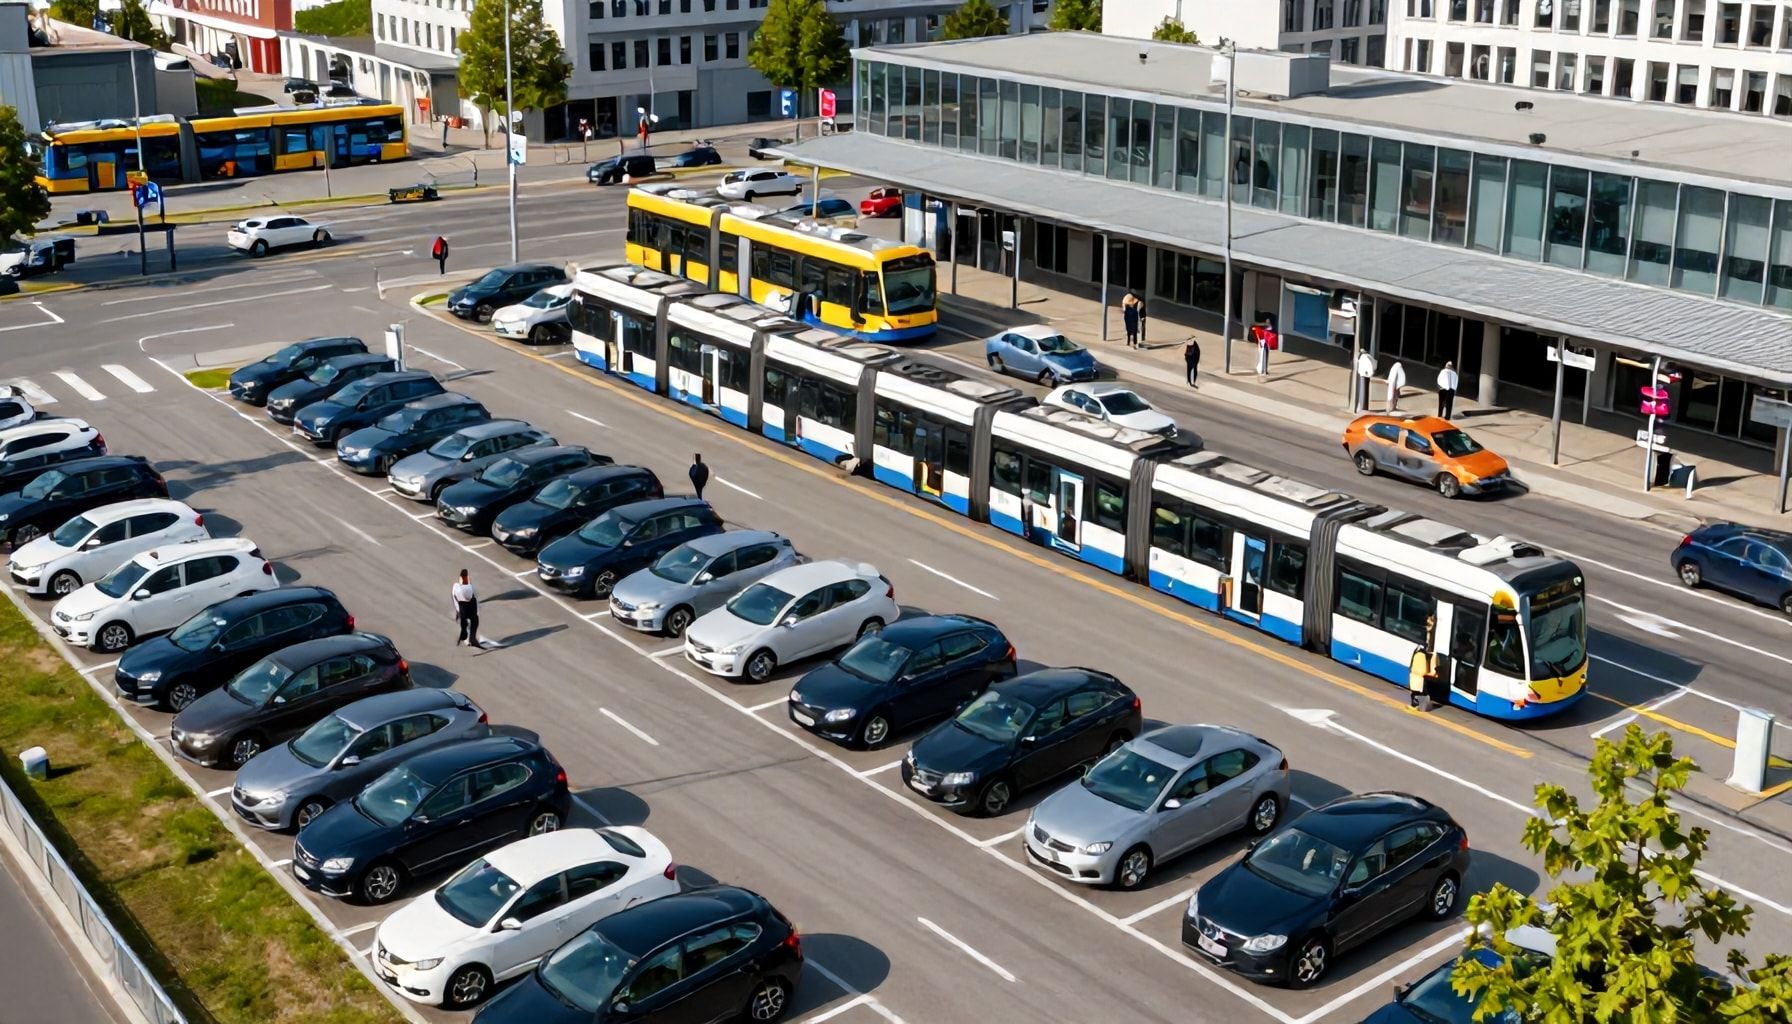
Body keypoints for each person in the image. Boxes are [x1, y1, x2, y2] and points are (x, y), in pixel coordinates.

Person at [1407, 614, 1439, 711]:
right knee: (1417, 684)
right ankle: (1418, 703)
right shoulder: (1427, 636)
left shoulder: (1431, 637)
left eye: (1430, 623)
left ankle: (1417, 704)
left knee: (1419, 685)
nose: (1427, 626)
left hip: (1422, 667)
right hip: (1421, 667)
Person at [451, 569, 482, 647]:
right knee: (470, 622)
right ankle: (469, 639)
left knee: (467, 622)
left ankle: (468, 638)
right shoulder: (465, 588)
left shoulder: (457, 586)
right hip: (464, 609)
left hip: (462, 609)